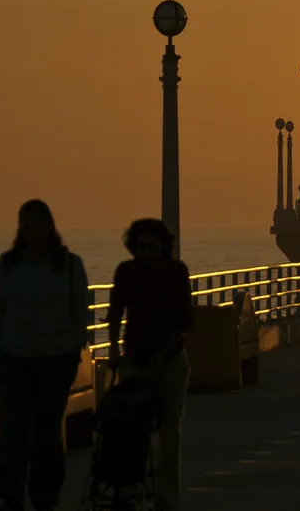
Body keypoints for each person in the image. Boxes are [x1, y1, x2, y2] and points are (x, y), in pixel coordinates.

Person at [0, 200, 90, 511]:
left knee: (47, 431)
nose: (33, 233)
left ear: (50, 226)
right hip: (14, 357)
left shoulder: (70, 265)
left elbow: (79, 309)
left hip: (56, 359)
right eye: (26, 226)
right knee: (15, 428)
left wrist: (74, 349)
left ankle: (45, 497)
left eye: (38, 225)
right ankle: (10, 496)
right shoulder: (8, 264)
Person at [107, 218, 193, 511]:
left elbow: (184, 321)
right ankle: (131, 491)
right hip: (135, 358)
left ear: (163, 247)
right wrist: (113, 350)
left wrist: (164, 352)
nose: (146, 253)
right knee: (133, 430)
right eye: (141, 247)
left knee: (170, 434)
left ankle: (167, 499)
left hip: (170, 361)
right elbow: (115, 312)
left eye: (152, 247)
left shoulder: (176, 273)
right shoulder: (126, 272)